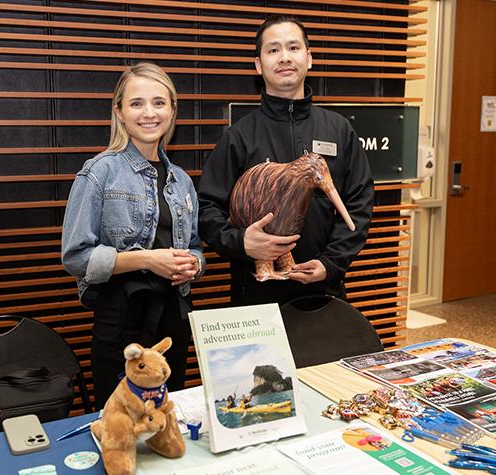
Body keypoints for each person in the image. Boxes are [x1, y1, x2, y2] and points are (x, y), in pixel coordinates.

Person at [198, 15, 375, 305]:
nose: (284, 58)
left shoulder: (339, 129)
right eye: (273, 50)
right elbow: (207, 209)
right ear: (258, 65)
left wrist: (331, 263)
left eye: (293, 48)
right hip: (256, 297)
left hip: (324, 292)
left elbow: (359, 202)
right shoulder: (239, 136)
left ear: (309, 58)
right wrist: (242, 243)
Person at [62, 62, 205, 409]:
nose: (149, 113)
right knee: (122, 428)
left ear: (172, 110)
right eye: (137, 103)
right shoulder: (100, 172)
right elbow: (75, 257)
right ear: (120, 112)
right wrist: (146, 259)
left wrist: (193, 266)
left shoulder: (182, 181)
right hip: (121, 323)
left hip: (172, 322)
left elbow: (197, 248)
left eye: (159, 102)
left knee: (166, 421)